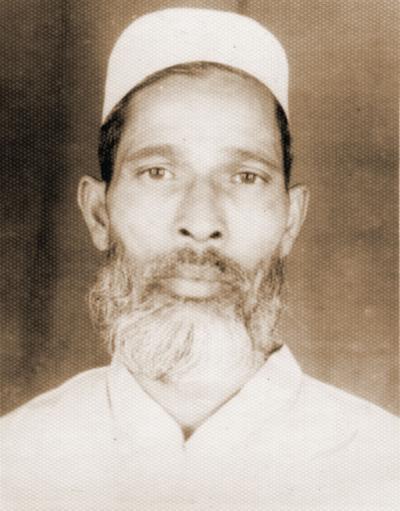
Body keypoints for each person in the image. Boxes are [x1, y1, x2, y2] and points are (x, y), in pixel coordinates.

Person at [1, 8, 398, 511]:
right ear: (99, 213)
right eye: (158, 172)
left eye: (245, 177)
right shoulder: (14, 464)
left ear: (290, 221)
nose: (201, 221)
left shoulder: (385, 469)